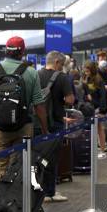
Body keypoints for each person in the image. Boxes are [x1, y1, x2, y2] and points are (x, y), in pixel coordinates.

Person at [0, 36, 48, 179]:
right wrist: (45, 130)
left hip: (0, 127)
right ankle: (17, 199)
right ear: (22, 52)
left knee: (0, 166)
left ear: (6, 51)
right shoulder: (31, 72)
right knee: (19, 165)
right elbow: (39, 105)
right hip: (24, 127)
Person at [36, 51, 75, 203]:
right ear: (58, 62)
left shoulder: (36, 75)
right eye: (62, 64)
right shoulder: (62, 77)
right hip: (55, 123)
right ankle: (50, 192)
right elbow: (70, 100)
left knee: (38, 157)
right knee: (52, 158)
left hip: (38, 122)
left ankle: (36, 188)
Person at [84, 60, 107, 159]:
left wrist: (102, 109)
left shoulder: (99, 80)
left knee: (99, 129)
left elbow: (103, 95)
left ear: (92, 70)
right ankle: (96, 149)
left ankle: (102, 150)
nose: (86, 73)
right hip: (90, 107)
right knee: (94, 129)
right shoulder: (87, 78)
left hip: (98, 108)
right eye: (85, 71)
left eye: (88, 71)